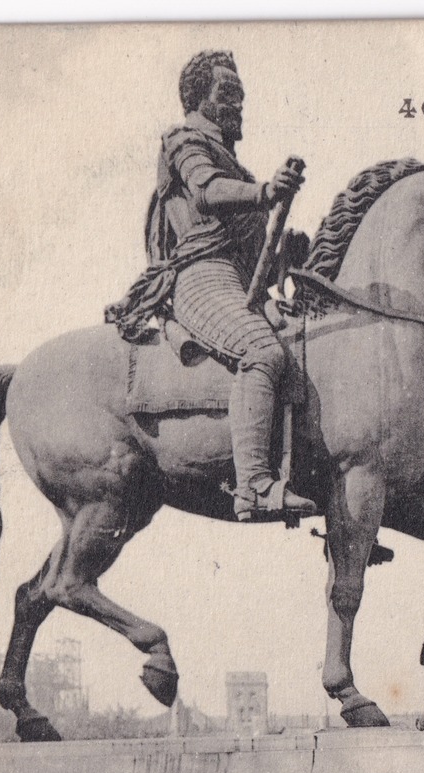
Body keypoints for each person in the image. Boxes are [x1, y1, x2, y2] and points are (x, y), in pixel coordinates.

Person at [105, 50, 316, 522]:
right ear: (198, 98)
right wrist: (264, 193)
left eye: (241, 95)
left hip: (241, 282)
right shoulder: (184, 142)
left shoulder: (234, 168)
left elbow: (252, 248)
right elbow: (205, 190)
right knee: (262, 352)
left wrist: (290, 249)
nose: (238, 104)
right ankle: (255, 486)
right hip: (200, 279)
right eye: (227, 93)